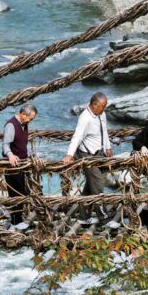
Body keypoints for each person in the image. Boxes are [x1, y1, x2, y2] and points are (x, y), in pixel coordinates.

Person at [63, 92, 113, 224]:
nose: (104, 109)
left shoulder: (101, 114)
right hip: (87, 155)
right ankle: (104, 218)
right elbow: (77, 137)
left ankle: (83, 216)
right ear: (95, 105)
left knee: (91, 186)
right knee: (98, 185)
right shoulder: (85, 118)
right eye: (103, 106)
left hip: (99, 153)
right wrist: (69, 154)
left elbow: (105, 131)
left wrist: (108, 147)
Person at [2, 104, 38, 229]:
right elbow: (5, 145)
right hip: (12, 166)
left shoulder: (24, 124)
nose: (31, 121)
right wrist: (10, 155)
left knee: (25, 192)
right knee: (15, 195)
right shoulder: (11, 125)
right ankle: (14, 223)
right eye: (31, 118)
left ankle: (19, 221)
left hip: (23, 164)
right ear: (23, 114)